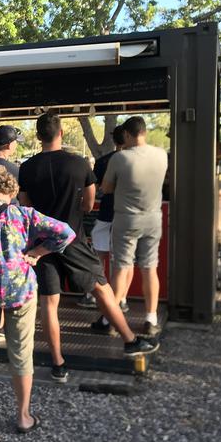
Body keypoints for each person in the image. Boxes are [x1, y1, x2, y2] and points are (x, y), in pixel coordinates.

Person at [18, 112, 159, 383]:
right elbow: (88, 204)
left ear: (38, 137)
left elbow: (26, 208)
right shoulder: (79, 163)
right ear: (60, 133)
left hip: (40, 244)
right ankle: (130, 341)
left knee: (49, 304)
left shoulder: (27, 168)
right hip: (73, 239)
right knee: (102, 289)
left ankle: (58, 364)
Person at [0, 166, 75, 433]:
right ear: (12, 189)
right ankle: (23, 416)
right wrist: (37, 251)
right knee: (21, 354)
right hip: (20, 292)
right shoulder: (25, 215)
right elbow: (66, 232)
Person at [96, 116, 169, 337]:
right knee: (149, 268)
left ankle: (111, 318)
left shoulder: (120, 158)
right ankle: (150, 317)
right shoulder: (161, 155)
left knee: (122, 267)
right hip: (153, 218)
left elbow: (106, 188)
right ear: (144, 132)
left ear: (127, 135)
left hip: (126, 219)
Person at [81, 125, 130, 313]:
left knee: (97, 257)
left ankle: (93, 295)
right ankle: (121, 299)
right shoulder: (134, 161)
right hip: (126, 217)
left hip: (105, 215)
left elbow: (98, 188)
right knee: (122, 261)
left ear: (114, 140)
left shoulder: (102, 162)